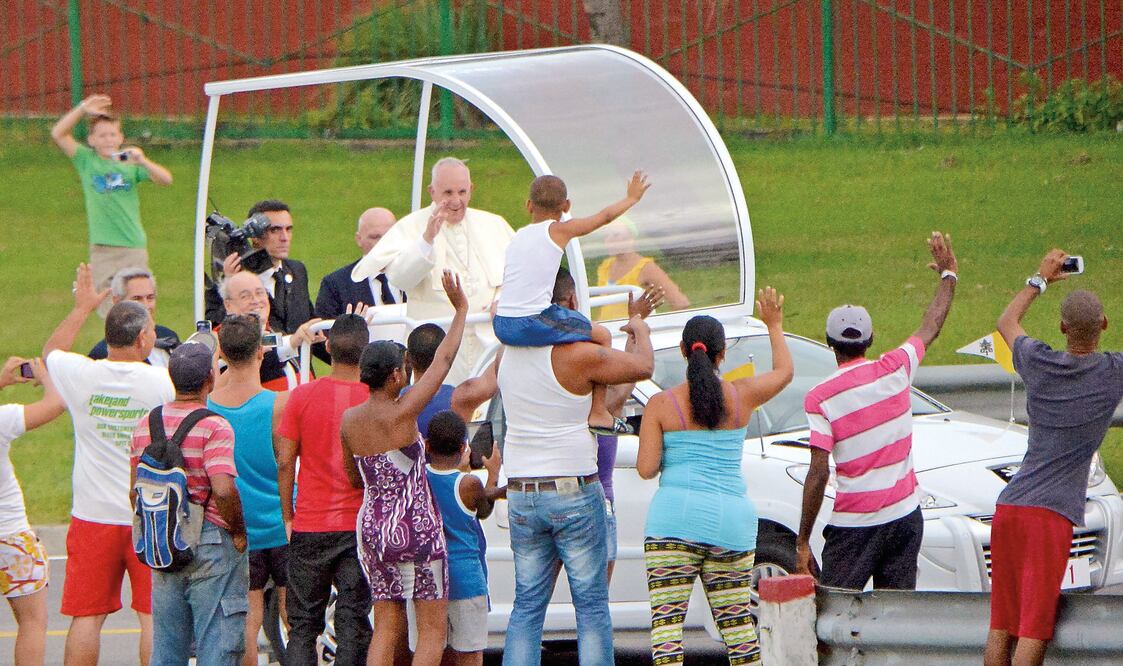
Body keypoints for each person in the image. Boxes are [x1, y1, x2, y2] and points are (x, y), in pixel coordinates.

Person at [497, 278, 655, 666]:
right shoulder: (577, 355)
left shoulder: (509, 354)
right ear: (570, 301)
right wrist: (639, 328)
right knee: (591, 609)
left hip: (521, 491)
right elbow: (643, 366)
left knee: (527, 607)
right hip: (572, 488)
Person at [636, 290, 793, 665]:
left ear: (682, 350)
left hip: (673, 523)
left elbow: (645, 468)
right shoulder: (742, 397)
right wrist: (774, 325)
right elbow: (785, 373)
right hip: (731, 524)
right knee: (737, 627)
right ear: (722, 355)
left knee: (667, 627)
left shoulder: (661, 405)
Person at [796, 231, 958, 592]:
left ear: (829, 343)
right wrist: (949, 276)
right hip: (905, 517)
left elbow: (819, 472)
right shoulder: (897, 368)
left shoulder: (820, 398)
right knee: (895, 617)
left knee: (835, 613)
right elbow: (931, 326)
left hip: (855, 526)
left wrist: (803, 540)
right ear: (869, 341)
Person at [983, 250, 1123, 666]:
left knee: (1001, 624)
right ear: (1104, 326)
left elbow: (1005, 323)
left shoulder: (1038, 360)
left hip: (1010, 508)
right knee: (1033, 629)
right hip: (1051, 517)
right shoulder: (1112, 372)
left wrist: (1040, 278)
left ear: (1062, 328)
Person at [43, 263, 175, 666]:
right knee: (154, 617)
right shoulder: (160, 382)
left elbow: (51, 353)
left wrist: (82, 308)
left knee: (86, 617)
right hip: (147, 513)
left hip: (91, 515)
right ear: (141, 339)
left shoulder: (82, 374)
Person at [340, 271, 467, 666]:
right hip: (416, 526)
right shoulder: (402, 413)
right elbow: (443, 362)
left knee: (387, 625)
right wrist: (461, 309)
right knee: (430, 630)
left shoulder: (348, 420)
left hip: (372, 528)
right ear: (396, 374)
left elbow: (351, 478)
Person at [493, 172, 650, 434]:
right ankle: (599, 411)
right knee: (601, 335)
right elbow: (603, 218)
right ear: (566, 206)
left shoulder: (517, 236)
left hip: (501, 325)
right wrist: (631, 198)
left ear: (528, 205)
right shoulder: (559, 230)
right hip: (529, 321)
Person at [130, 342, 249, 665]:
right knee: (218, 642)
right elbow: (223, 489)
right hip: (210, 540)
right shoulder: (214, 426)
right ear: (209, 380)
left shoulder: (146, 425)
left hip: (164, 542)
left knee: (167, 645)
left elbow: (134, 491)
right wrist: (238, 532)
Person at [352, 157, 515, 383]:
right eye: (448, 193)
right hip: (437, 349)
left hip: (488, 344)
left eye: (462, 192)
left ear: (471, 189)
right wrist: (427, 240)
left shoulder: (494, 224)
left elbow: (517, 275)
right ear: (432, 191)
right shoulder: (412, 227)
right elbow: (400, 280)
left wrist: (503, 299)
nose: (456, 201)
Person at [549, 269, 664, 582]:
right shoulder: (583, 353)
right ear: (573, 299)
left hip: (545, 492)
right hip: (592, 497)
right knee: (594, 601)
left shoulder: (538, 354)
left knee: (532, 603)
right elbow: (621, 390)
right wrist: (637, 329)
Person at [276, 313, 373, 666]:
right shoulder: (373, 400)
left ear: (327, 348)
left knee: (303, 625)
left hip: (310, 523)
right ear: (365, 353)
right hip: (358, 527)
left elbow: (286, 462)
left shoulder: (300, 397)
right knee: (352, 620)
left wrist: (288, 514)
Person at [206, 315, 291, 666]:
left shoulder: (208, 405)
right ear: (261, 352)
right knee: (296, 618)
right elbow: (286, 462)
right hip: (280, 525)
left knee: (247, 621)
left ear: (223, 352)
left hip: (238, 527)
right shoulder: (278, 404)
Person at [50, 94, 173, 317]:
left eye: (112, 134)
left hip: (132, 245)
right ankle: (114, 349)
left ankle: (141, 346)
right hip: (103, 248)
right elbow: (58, 133)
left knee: (139, 304)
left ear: (120, 137)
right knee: (108, 308)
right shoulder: (87, 161)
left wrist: (142, 160)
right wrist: (83, 108)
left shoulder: (129, 165)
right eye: (102, 135)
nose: (107, 140)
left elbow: (166, 179)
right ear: (91, 140)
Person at [423, 411, 504, 666]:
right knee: (469, 655)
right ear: (463, 447)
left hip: (428, 578)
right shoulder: (468, 483)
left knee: (434, 648)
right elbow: (483, 510)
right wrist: (493, 473)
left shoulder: (417, 479)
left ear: (426, 445)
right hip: (466, 578)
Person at [206, 200, 329, 363]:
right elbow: (219, 337)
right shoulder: (236, 281)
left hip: (300, 377)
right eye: (275, 230)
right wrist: (228, 285)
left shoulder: (297, 270)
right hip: (261, 378)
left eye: (288, 229)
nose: (284, 237)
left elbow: (310, 327)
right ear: (255, 236)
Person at [0, 356, 64, 666]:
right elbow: (55, 405)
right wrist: (45, 377)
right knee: (32, 621)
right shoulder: (2, 419)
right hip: (11, 534)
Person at [219, 271, 325, 391]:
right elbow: (248, 358)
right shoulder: (222, 339)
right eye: (245, 296)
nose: (256, 300)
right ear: (228, 305)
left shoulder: (274, 330)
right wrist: (293, 341)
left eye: (260, 293)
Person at [404, 323, 501, 438]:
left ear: (407, 357)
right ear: (448, 356)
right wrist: (503, 330)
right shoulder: (460, 398)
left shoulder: (394, 402)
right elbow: (500, 367)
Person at [315, 207, 405, 319]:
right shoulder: (336, 285)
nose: (384, 243)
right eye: (375, 237)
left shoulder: (415, 276)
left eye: (389, 235)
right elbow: (324, 332)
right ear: (359, 239)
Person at [594, 218, 690, 320]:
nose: (609, 240)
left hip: (632, 333)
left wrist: (658, 328)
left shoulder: (646, 268)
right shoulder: (605, 266)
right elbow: (605, 308)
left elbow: (680, 302)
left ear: (631, 238)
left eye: (616, 235)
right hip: (609, 332)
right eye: (606, 236)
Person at [89, 267, 180, 367]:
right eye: (137, 299)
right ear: (117, 302)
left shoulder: (168, 336)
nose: (146, 305)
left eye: (150, 298)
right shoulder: (102, 355)